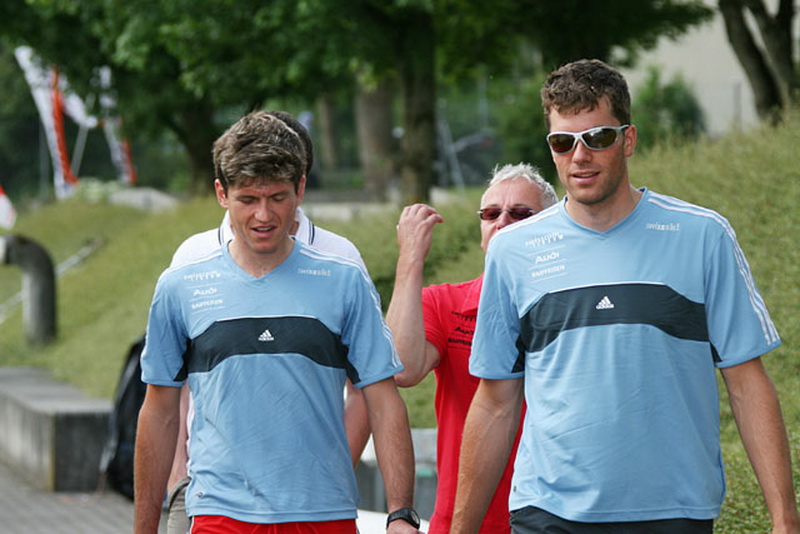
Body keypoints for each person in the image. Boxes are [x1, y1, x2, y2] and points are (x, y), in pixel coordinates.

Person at [451, 59, 800, 534]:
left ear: (628, 139)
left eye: (597, 138)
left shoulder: (703, 236)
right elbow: (495, 403)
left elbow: (746, 383)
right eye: (563, 142)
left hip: (675, 512)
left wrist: (784, 518)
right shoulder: (512, 251)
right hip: (548, 514)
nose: (580, 156)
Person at [134, 111, 420, 534]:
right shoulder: (181, 285)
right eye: (248, 199)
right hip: (220, 515)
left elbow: (382, 398)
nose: (263, 215)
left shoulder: (343, 279)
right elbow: (159, 411)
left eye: (278, 197)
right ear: (221, 193)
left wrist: (401, 514)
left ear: (300, 189)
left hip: (324, 514)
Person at [385, 163, 557, 533]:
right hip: (462, 523)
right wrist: (410, 258)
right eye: (491, 214)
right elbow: (401, 368)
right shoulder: (445, 303)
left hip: (553, 520)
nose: (502, 222)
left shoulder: (575, 308)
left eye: (520, 214)